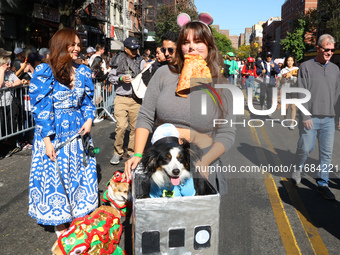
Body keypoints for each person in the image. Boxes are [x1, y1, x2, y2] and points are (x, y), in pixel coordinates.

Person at [124, 15, 236, 195]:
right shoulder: (163, 74)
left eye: (198, 41)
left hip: (202, 161)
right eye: (186, 42)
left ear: (209, 46)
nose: (191, 46)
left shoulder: (222, 86)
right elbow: (145, 116)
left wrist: (205, 161)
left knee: (198, 221)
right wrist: (137, 154)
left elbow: (227, 133)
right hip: (162, 164)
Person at [28, 28, 98, 235]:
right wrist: (47, 141)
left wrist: (89, 118)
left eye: (79, 45)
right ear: (61, 45)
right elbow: (41, 109)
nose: (77, 49)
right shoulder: (44, 71)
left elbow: (87, 101)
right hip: (54, 133)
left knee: (80, 173)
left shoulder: (84, 71)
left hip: (79, 132)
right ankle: (59, 221)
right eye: (72, 44)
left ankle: (78, 212)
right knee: (55, 176)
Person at [292, 34, 340, 200]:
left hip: (329, 118)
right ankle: (298, 168)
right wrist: (305, 115)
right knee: (306, 147)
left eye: (332, 50)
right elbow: (300, 92)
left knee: (326, 153)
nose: (329, 53)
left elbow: (337, 95)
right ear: (318, 48)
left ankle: (323, 183)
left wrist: (338, 116)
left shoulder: (335, 69)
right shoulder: (305, 67)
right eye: (326, 49)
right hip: (310, 117)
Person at [107, 37, 146, 165]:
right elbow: (111, 77)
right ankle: (117, 152)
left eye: (136, 49)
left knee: (135, 128)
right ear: (125, 49)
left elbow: (145, 75)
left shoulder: (141, 61)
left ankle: (131, 151)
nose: (135, 51)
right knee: (122, 126)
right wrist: (121, 79)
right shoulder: (118, 59)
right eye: (132, 49)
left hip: (136, 99)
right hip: (121, 98)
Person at [0, 51, 25, 136]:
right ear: (1, 64)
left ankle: (9, 142)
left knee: (10, 124)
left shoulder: (9, 72)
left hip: (9, 103)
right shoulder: (2, 71)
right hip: (1, 105)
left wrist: (12, 84)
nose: (9, 66)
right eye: (7, 64)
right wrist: (2, 71)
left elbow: (19, 81)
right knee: (1, 126)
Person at [278, 55, 299, 130]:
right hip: (285, 89)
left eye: (291, 60)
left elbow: (298, 80)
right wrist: (283, 77)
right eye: (288, 60)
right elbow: (280, 81)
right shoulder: (283, 70)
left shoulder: (297, 69)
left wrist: (291, 77)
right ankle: (285, 119)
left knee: (293, 107)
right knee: (286, 107)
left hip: (294, 89)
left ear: (293, 61)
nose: (290, 62)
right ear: (286, 62)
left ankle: (292, 123)